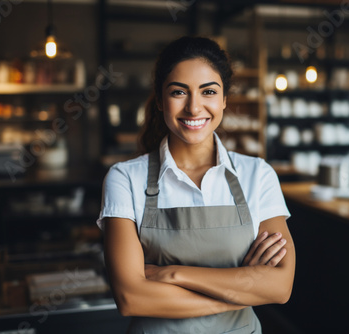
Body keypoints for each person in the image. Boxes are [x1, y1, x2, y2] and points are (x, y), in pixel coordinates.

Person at [97, 36, 295, 334]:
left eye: (208, 92)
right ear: (161, 99)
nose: (193, 107)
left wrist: (173, 274)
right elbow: (131, 297)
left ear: (224, 99)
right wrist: (241, 291)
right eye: (179, 92)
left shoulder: (257, 175)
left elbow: (279, 287)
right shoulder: (125, 178)